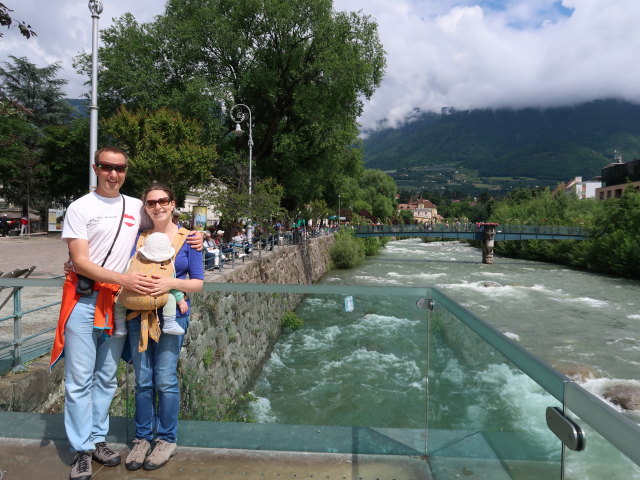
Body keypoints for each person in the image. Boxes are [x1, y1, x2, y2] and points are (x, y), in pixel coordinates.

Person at [49, 147, 202, 480]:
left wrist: (198, 236)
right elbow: (80, 258)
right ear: (96, 168)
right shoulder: (80, 207)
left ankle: (98, 438)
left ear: (125, 171)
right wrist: (122, 278)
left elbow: (166, 225)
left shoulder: (135, 205)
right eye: (106, 167)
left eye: (119, 168)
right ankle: (81, 450)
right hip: (85, 299)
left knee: (105, 377)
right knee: (79, 380)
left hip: (119, 303)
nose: (113, 173)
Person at [124, 183, 203, 472]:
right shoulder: (137, 237)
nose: (158, 206)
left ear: (173, 204)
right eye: (151, 202)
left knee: (165, 378)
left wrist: (170, 283)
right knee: (143, 379)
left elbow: (198, 282)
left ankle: (166, 439)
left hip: (172, 318)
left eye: (163, 201)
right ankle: (142, 439)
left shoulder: (190, 239)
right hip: (138, 315)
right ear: (145, 207)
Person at [113, 232, 188, 337]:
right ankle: (169, 323)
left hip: (130, 300)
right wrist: (181, 301)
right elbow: (172, 288)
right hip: (155, 300)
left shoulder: (135, 260)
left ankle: (120, 327)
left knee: (119, 301)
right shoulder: (165, 268)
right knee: (170, 297)